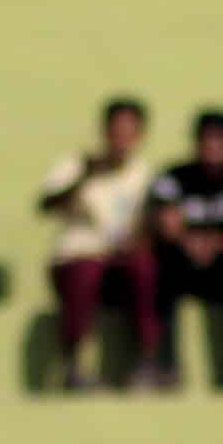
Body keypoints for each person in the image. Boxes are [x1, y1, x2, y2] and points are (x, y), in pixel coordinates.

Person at [39, 96, 164, 390]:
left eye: (129, 132)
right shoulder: (77, 164)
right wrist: (85, 176)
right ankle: (74, 366)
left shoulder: (144, 173)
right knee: (86, 271)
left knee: (146, 269)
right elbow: (46, 204)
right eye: (116, 130)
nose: (121, 139)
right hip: (79, 258)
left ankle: (147, 364)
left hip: (122, 262)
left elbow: (153, 221)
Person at [148, 108, 223, 387]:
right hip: (183, 264)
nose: (212, 146)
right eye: (206, 139)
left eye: (219, 139)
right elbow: (168, 225)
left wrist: (212, 244)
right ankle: (166, 368)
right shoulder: (174, 177)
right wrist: (191, 243)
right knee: (160, 275)